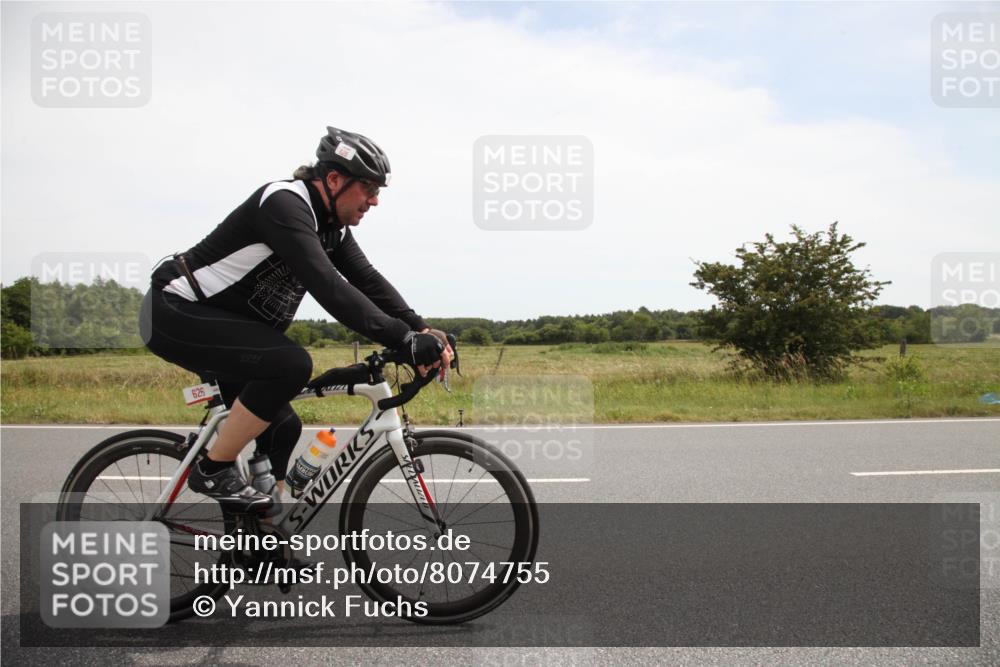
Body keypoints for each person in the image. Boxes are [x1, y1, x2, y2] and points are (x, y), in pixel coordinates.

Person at [140, 126, 452, 512]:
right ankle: (212, 468)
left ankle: (260, 536)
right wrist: (402, 339)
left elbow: (367, 280)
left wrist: (421, 329)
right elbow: (328, 286)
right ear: (334, 179)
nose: (374, 201)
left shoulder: (332, 229)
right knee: (291, 364)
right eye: (368, 189)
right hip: (174, 311)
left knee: (284, 428)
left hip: (227, 327)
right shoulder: (284, 204)